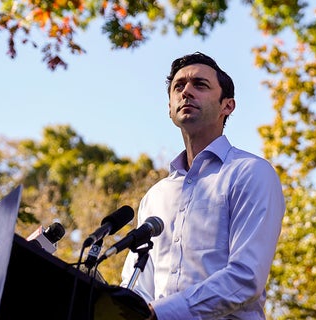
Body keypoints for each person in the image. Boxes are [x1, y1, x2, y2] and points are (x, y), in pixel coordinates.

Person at [120, 52, 286, 319]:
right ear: (169, 108)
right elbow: (138, 285)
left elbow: (246, 277)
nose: (186, 92)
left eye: (200, 85)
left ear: (227, 106)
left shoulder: (251, 173)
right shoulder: (156, 196)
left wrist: (162, 313)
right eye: (179, 87)